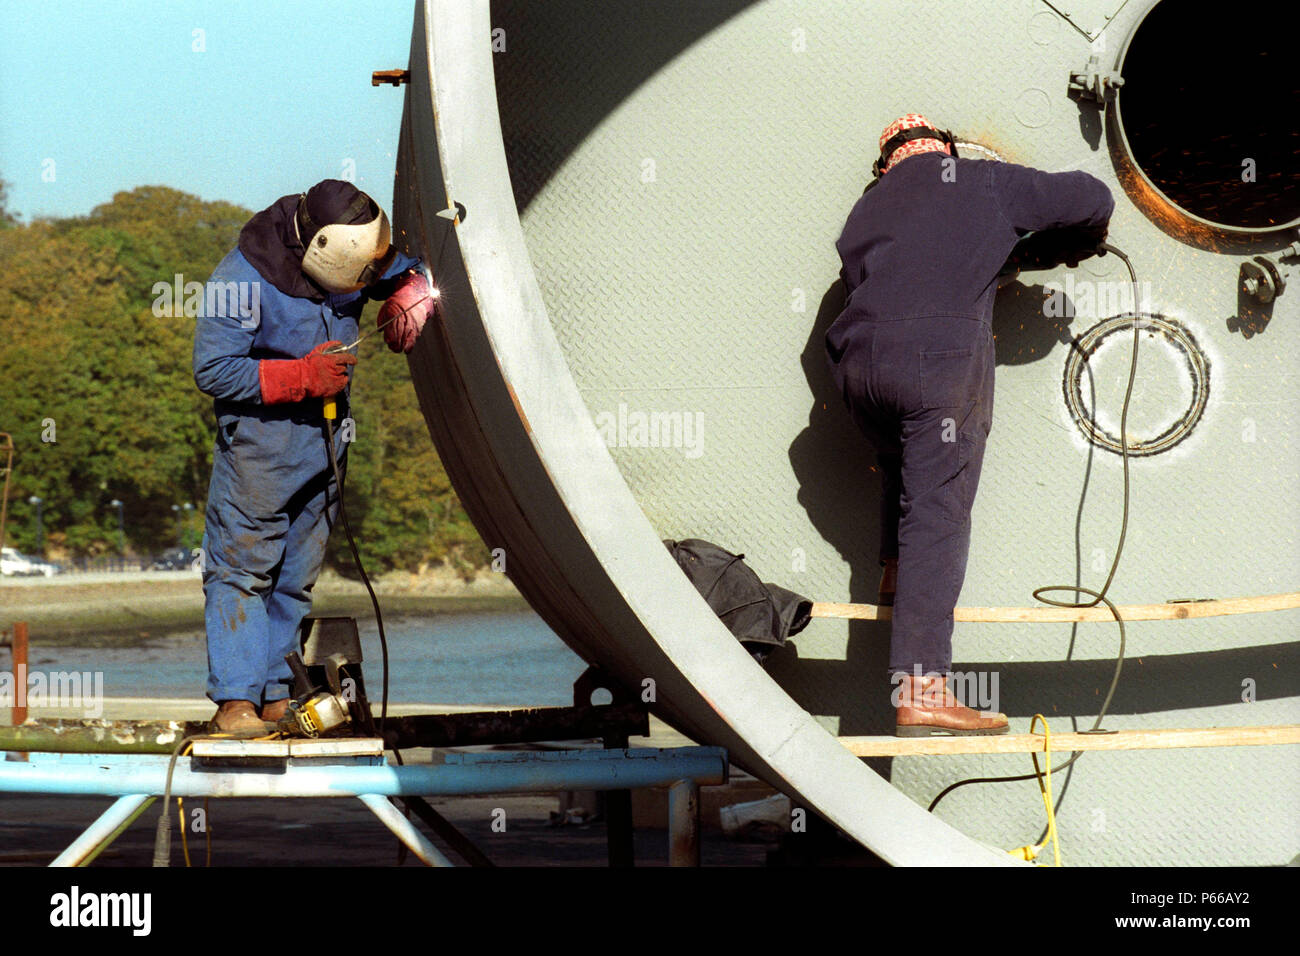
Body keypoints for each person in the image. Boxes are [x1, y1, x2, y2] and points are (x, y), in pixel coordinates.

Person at [825, 114, 1113, 736]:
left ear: (887, 164)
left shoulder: (865, 209)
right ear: (946, 148)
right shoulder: (980, 180)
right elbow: (1093, 198)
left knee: (902, 468)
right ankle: (922, 688)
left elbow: (908, 272)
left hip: (856, 368)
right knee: (939, 511)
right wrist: (1060, 244)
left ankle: (894, 574)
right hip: (934, 365)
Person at [192, 180, 436, 736]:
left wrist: (410, 289)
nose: (364, 283)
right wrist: (300, 376)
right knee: (241, 574)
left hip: (327, 444)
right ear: (319, 251)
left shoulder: (357, 246)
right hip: (260, 449)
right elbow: (212, 370)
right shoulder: (240, 279)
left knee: (295, 579)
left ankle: (277, 696)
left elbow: (393, 266)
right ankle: (236, 703)